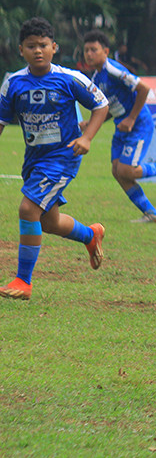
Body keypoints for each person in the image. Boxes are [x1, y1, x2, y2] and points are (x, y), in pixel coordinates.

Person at [0, 17, 111, 300]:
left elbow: (101, 105)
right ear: (21, 50)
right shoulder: (12, 83)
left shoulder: (69, 78)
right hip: (34, 159)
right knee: (48, 222)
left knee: (28, 209)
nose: (38, 50)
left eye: (43, 45)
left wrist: (86, 138)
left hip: (64, 157)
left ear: (54, 47)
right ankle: (90, 235)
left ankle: (23, 282)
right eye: (31, 46)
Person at [83, 30, 156, 223]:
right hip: (122, 126)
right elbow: (109, 108)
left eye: (93, 50)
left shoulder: (113, 69)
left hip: (138, 124)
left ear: (105, 51)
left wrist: (132, 118)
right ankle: (152, 214)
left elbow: (143, 88)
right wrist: (90, 123)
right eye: (86, 50)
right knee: (117, 171)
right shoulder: (96, 78)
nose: (89, 54)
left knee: (127, 170)